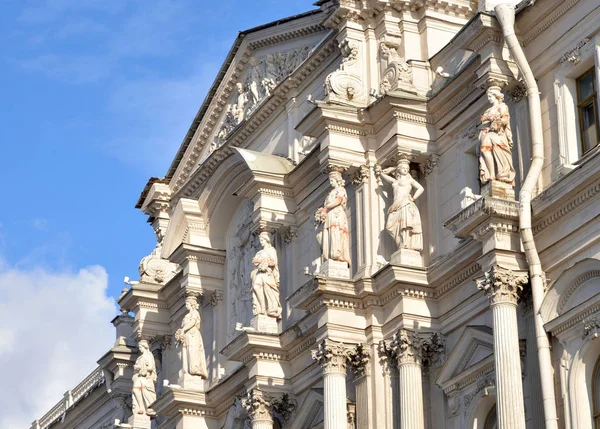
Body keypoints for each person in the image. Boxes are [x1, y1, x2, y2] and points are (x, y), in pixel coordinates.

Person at [375, 158, 424, 251]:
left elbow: (421, 188)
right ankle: (401, 243)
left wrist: (413, 198)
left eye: (407, 168)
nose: (405, 169)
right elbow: (382, 174)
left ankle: (405, 244)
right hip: (396, 205)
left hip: (405, 203)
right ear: (399, 169)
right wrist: (393, 168)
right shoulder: (395, 181)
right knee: (389, 226)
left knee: (405, 225)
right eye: (403, 168)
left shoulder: (410, 180)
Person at [477, 87, 516, 184]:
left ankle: (498, 174)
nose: (489, 98)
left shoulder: (502, 106)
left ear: (496, 96)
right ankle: (491, 174)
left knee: (485, 149)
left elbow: (505, 119)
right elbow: (483, 121)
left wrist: (492, 118)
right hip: (488, 133)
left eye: (490, 96)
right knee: (484, 150)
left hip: (498, 134)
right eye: (488, 96)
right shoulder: (488, 110)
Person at [315, 170, 351, 265]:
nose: (331, 183)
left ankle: (337, 254)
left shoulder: (341, 190)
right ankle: (330, 255)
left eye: (332, 180)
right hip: (330, 215)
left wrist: (326, 208)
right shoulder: (331, 193)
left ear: (337, 180)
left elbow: (338, 200)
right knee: (329, 234)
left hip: (337, 214)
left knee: (336, 232)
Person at [250, 231, 282, 319]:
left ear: (267, 240)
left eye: (262, 240)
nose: (261, 242)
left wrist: (260, 261)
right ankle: (262, 308)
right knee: (256, 287)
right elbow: (254, 263)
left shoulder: (272, 250)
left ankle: (267, 308)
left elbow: (273, 262)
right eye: (260, 240)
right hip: (258, 273)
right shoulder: (258, 253)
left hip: (267, 273)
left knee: (265, 289)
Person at [175, 296, 208, 379]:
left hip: (193, 334)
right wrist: (180, 334)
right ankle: (186, 370)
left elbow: (193, 322)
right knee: (185, 353)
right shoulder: (186, 316)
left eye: (187, 304)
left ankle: (194, 369)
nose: (186, 305)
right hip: (187, 336)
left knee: (193, 351)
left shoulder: (195, 313)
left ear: (192, 304)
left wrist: (183, 330)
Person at [131, 340, 157, 416]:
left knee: (141, 390)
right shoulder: (139, 358)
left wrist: (139, 367)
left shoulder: (149, 355)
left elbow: (151, 367)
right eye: (139, 347)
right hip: (139, 377)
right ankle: (141, 407)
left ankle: (147, 407)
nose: (140, 349)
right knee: (135, 390)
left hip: (146, 378)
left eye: (141, 347)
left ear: (145, 347)